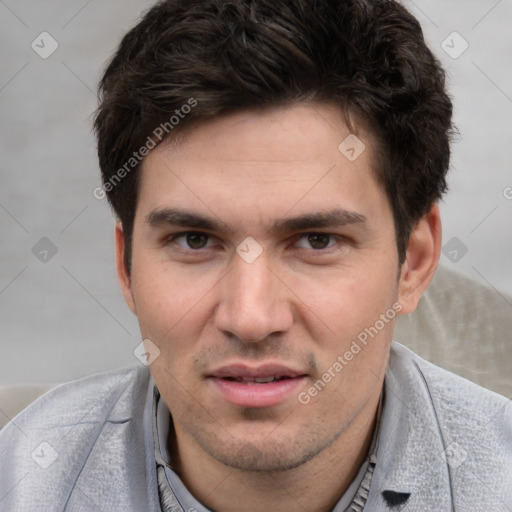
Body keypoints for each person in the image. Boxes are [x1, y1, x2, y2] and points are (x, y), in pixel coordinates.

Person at [1, 0, 511, 510]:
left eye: (316, 240)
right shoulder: (22, 480)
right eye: (194, 240)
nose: (250, 318)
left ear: (414, 263)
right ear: (126, 266)